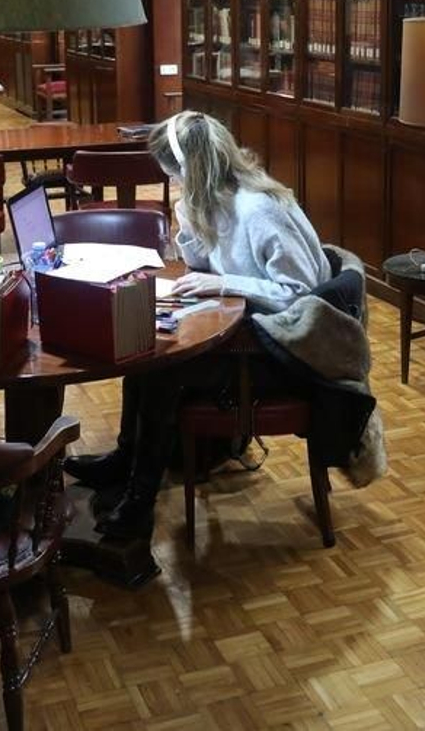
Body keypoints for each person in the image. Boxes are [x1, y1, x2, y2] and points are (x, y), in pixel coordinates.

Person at [63, 110, 330, 540]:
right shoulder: (218, 200)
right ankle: (125, 457)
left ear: (189, 167)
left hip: (284, 351)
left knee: (161, 369)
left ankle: (139, 503)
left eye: (173, 171)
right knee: (141, 351)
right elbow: (205, 266)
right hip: (247, 332)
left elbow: (303, 293)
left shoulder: (259, 209)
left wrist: (222, 281)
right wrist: (186, 223)